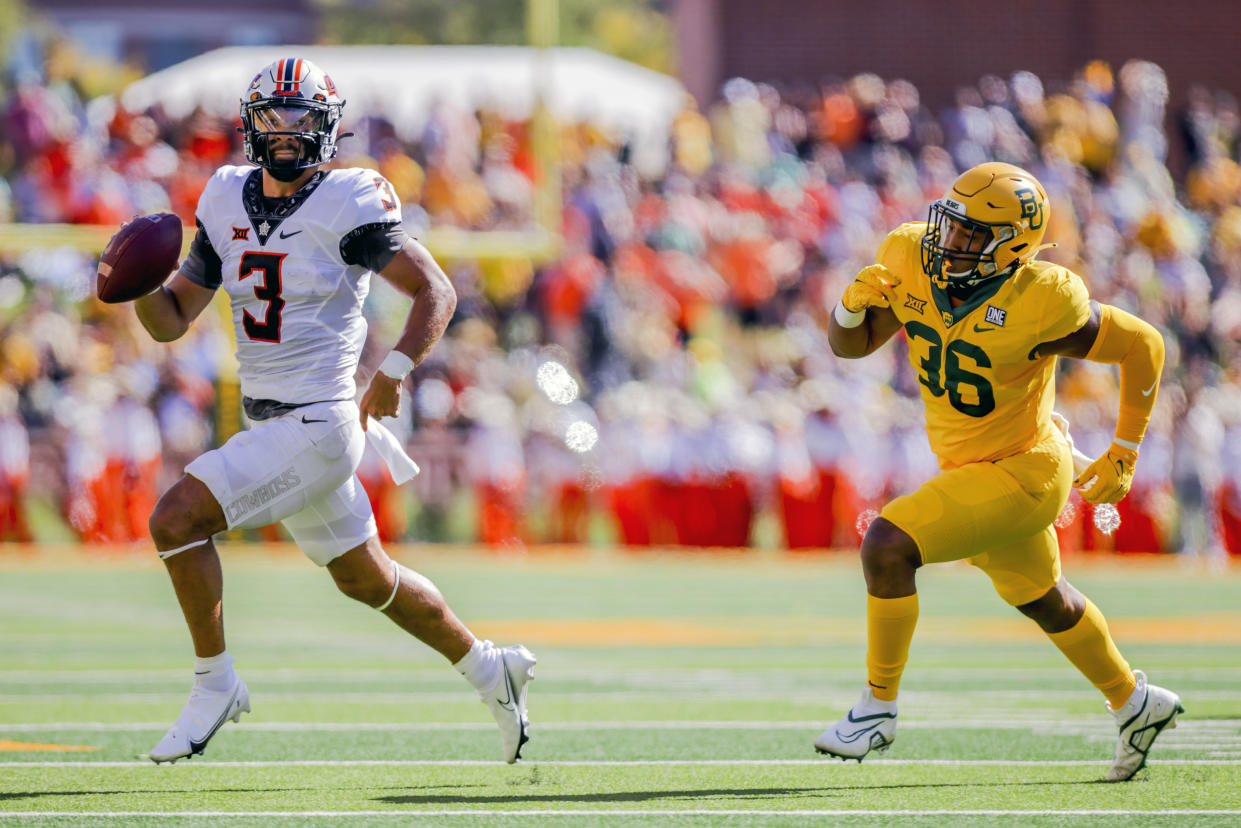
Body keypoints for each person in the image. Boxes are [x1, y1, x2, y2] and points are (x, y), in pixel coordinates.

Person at [130, 58, 535, 764]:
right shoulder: (224, 194)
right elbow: (170, 320)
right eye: (273, 118)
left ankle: (213, 683)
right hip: (270, 423)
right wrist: (134, 284)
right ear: (250, 124)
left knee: (175, 519)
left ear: (327, 126)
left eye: (301, 118)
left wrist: (397, 368)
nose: (286, 132)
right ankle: (487, 665)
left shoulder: (349, 199)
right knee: (364, 578)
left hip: (318, 424)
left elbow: (434, 291)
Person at [817, 161, 1181, 782]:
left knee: (888, 544)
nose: (948, 242)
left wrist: (1125, 448)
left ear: (1012, 243)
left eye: (969, 236)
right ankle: (1134, 701)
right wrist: (850, 307)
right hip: (970, 466)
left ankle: (878, 706)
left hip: (1026, 472)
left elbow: (1143, 343)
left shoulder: (1042, 297)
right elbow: (850, 346)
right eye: (948, 226)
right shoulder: (908, 255)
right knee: (1044, 599)